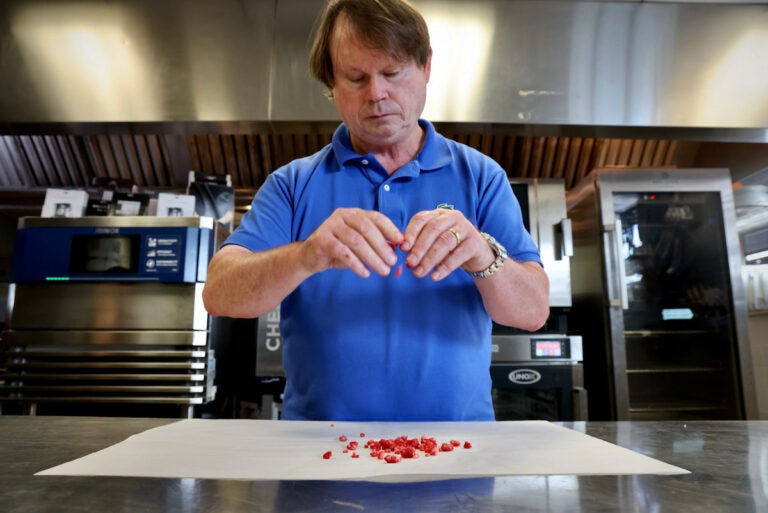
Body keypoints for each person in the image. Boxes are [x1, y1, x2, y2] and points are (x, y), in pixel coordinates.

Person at [203, 0, 549, 422]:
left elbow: (532, 312)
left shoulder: (480, 177)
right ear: (332, 83)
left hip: (457, 458)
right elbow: (219, 294)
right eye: (355, 77)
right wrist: (305, 254)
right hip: (318, 458)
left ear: (425, 68)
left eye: (392, 73)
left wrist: (481, 254)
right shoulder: (292, 183)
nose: (377, 94)